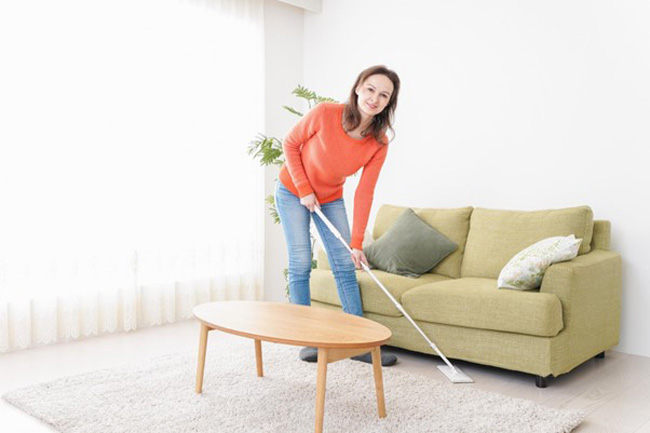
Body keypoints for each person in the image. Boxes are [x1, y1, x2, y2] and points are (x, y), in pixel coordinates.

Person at [275, 65, 401, 367]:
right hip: (293, 190)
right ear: (358, 87)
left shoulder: (379, 142)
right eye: (370, 89)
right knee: (301, 261)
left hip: (330, 196)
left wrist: (356, 243)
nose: (375, 98)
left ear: (388, 103)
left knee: (345, 263)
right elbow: (290, 144)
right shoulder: (324, 113)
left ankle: (358, 342)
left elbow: (364, 193)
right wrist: (304, 189)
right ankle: (305, 340)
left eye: (384, 95)